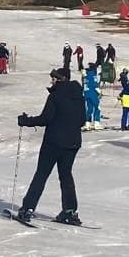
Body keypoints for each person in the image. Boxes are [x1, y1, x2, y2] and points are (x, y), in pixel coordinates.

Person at [15, 68, 87, 226]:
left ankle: (27, 208)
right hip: (73, 143)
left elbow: (46, 118)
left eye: (54, 79)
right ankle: (70, 211)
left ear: (61, 80)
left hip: (54, 142)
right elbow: (82, 120)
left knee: (41, 174)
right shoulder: (78, 96)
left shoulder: (55, 96)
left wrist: (26, 121)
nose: (51, 81)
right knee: (66, 175)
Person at [83, 64, 103, 130]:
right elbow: (95, 85)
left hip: (86, 93)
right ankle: (96, 123)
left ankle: (87, 123)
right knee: (97, 107)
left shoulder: (85, 76)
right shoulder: (93, 75)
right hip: (93, 94)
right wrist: (99, 92)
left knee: (89, 109)